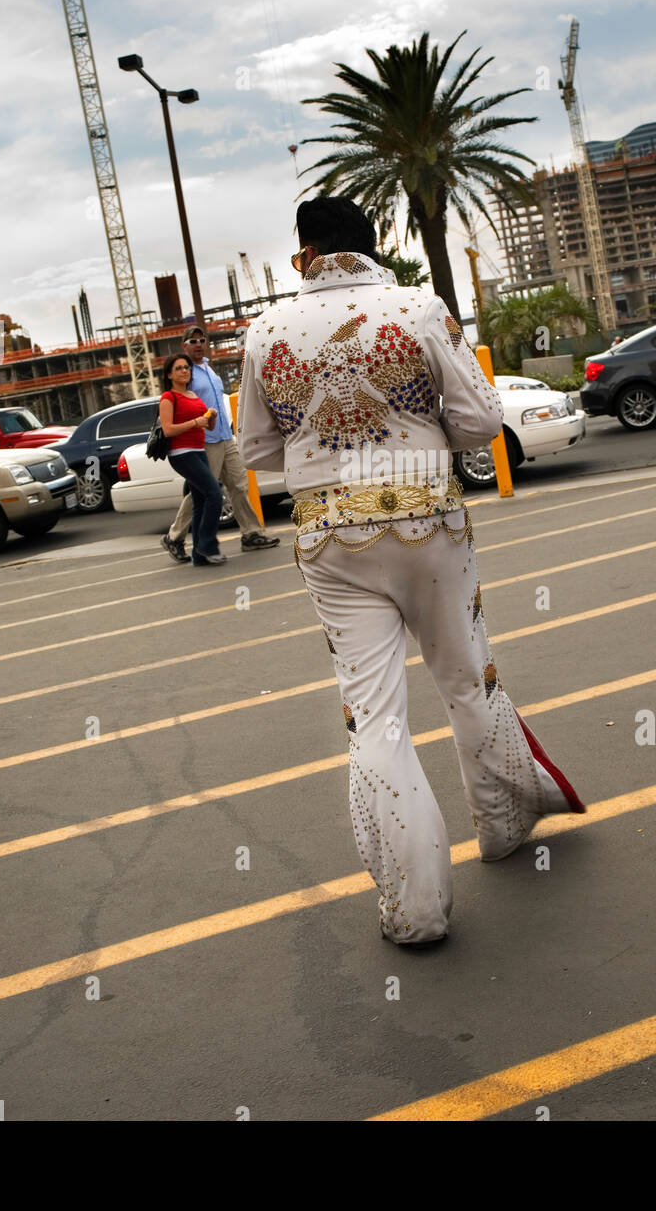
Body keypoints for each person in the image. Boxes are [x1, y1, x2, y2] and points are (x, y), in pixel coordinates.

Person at [236, 197, 585, 947]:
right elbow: (484, 421)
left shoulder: (265, 330)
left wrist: (325, 439)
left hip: (330, 536)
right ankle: (499, 826)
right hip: (429, 520)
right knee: (464, 678)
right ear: (372, 246)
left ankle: (416, 906)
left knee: (375, 716)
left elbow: (258, 451)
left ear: (304, 257)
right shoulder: (420, 308)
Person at [161, 326, 280, 563]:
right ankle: (174, 536)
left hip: (225, 436)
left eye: (201, 340)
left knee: (239, 484)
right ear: (184, 346)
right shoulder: (187, 372)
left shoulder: (208, 368)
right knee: (203, 492)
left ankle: (251, 533)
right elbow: (182, 405)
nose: (198, 344)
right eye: (192, 341)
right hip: (205, 440)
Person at [158, 356, 223, 566]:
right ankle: (207, 546)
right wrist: (195, 421)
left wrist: (210, 417)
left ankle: (198, 555)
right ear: (170, 374)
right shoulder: (169, 397)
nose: (184, 371)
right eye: (178, 368)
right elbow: (168, 430)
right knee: (214, 493)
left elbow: (208, 427)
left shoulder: (193, 395)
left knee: (201, 502)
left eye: (186, 367)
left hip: (198, 450)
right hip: (181, 454)